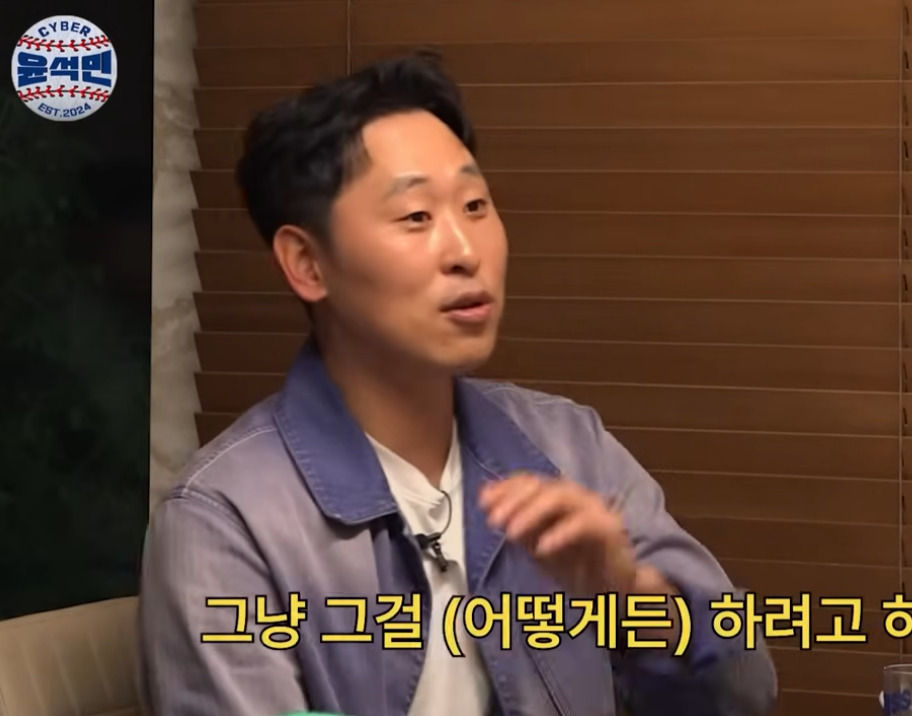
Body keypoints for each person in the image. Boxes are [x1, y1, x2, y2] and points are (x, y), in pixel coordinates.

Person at [137, 51, 777, 716]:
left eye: (475, 206)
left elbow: (744, 693)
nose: (466, 251)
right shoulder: (227, 519)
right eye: (416, 216)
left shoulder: (568, 446)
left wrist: (632, 595)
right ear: (307, 263)